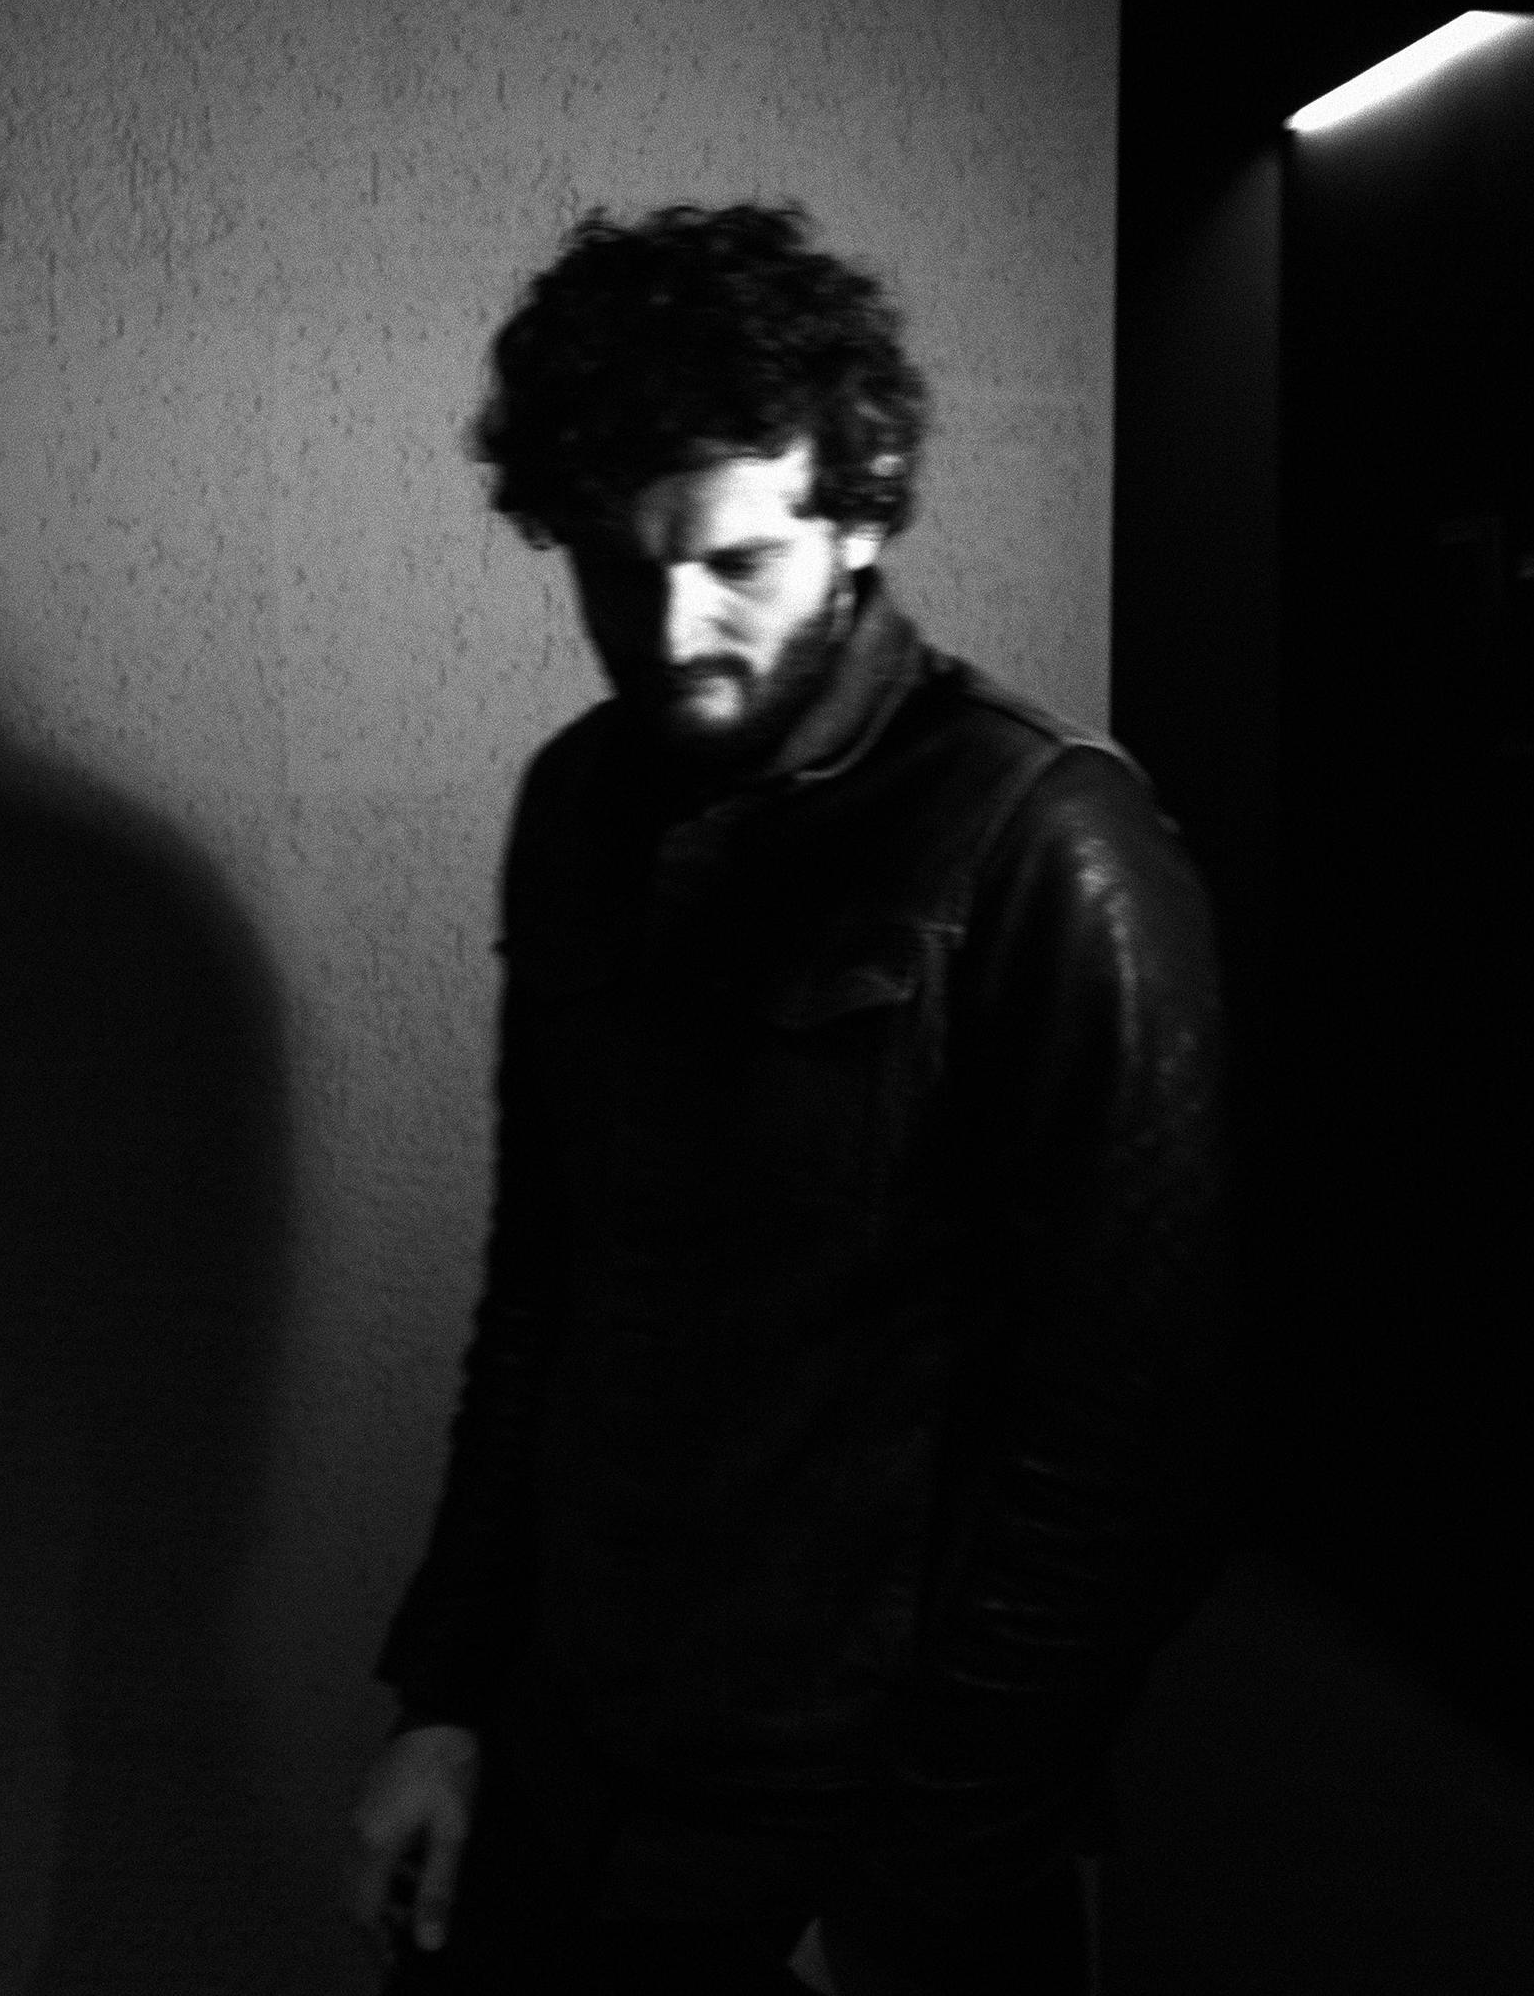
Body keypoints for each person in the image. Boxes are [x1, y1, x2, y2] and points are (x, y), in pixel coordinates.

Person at [348, 202, 1233, 1993]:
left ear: (860, 516)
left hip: (859, 1831)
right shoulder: (579, 806)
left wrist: (921, 1884)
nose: (672, 630)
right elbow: (543, 1287)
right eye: (617, 569)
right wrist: (446, 1699)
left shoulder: (1050, 843)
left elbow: (1127, 1446)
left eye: (737, 564)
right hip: (569, 1773)